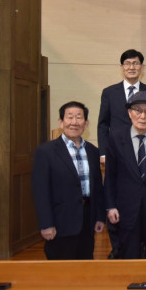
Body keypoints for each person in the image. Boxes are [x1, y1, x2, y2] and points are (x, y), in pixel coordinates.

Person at [97, 49, 146, 257]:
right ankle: (118, 250)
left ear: (141, 67)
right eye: (127, 63)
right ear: (122, 67)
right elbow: (103, 124)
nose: (131, 67)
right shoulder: (110, 92)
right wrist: (103, 152)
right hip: (118, 151)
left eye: (135, 63)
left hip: (145, 151)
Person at [32, 101, 105, 260]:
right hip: (60, 223)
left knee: (85, 267)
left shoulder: (93, 151)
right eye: (70, 117)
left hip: (87, 221)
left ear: (86, 123)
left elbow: (98, 188)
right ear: (61, 122)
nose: (74, 122)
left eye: (79, 117)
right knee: (61, 270)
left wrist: (99, 216)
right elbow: (40, 191)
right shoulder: (45, 151)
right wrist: (46, 224)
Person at [104, 91, 146, 259]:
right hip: (126, 210)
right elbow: (110, 175)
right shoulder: (116, 137)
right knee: (129, 257)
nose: (143, 116)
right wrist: (110, 206)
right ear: (129, 113)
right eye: (138, 110)